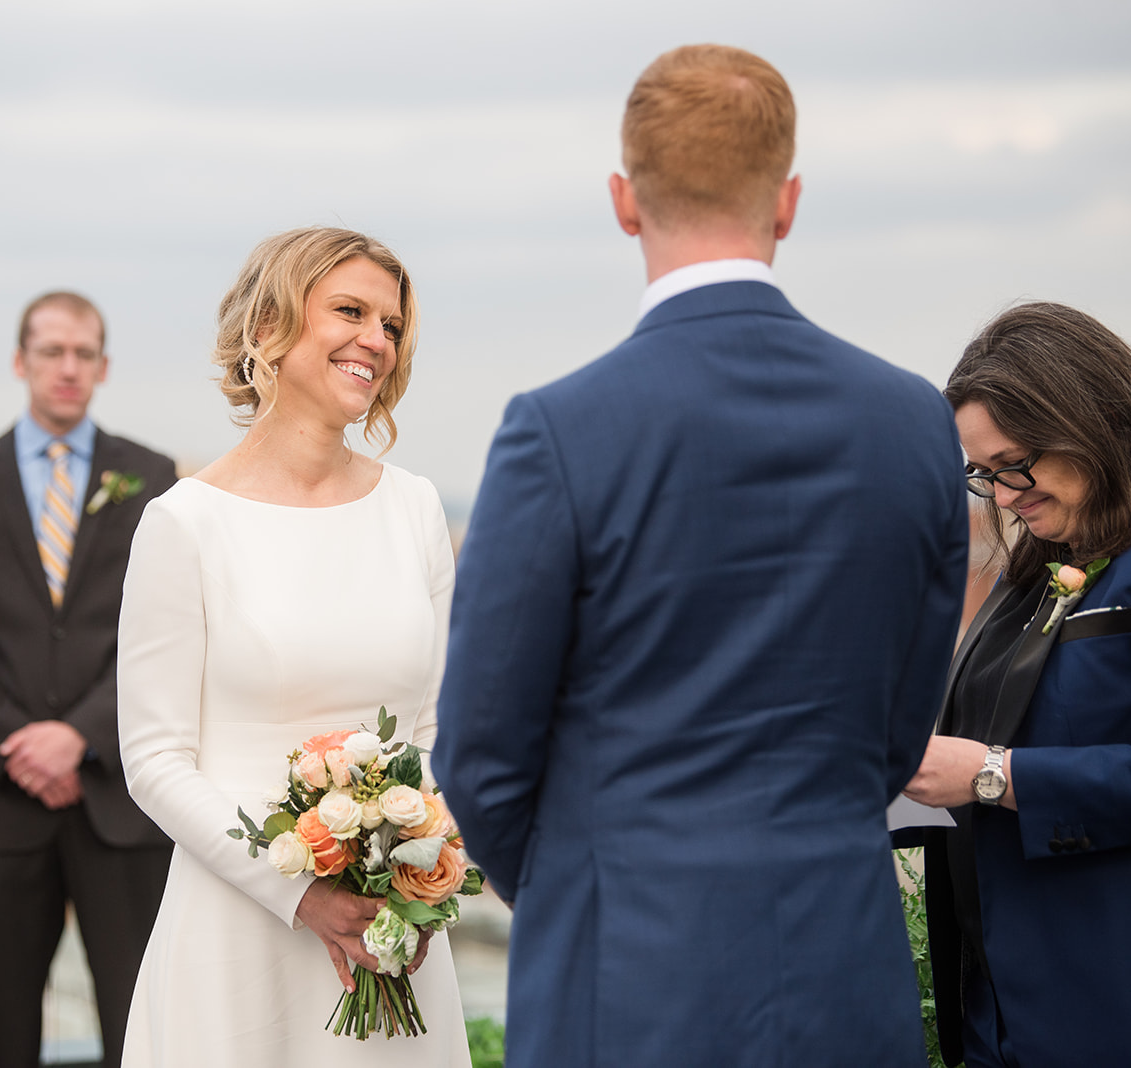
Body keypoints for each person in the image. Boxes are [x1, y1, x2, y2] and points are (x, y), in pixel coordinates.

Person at [432, 44, 970, 1067]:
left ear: (623, 200)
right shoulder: (912, 423)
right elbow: (897, 731)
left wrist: (572, 881)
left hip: (625, 975)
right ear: (790, 200)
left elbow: (480, 751)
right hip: (842, 964)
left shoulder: (561, 430)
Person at [115, 226, 470, 1066]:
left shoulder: (416, 510)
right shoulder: (184, 523)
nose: (375, 341)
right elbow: (155, 759)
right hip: (236, 938)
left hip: (391, 937)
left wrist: (411, 879)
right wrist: (302, 892)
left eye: (390, 324)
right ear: (269, 327)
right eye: (349, 311)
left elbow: (431, 731)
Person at [0, 292, 176, 1068]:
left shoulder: (151, 475)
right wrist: (19, 747)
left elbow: (160, 635)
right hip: (3, 801)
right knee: (0, 1030)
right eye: (52, 351)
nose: (68, 368)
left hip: (120, 800)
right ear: (20, 361)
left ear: (103, 366)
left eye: (84, 353)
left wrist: (81, 737)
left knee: (143, 1024)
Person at [903, 302, 1131, 1067]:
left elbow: (997, 764)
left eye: (1014, 464)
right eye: (982, 474)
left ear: (1090, 419)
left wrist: (997, 776)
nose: (1001, 496)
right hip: (1000, 1011)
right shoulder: (1033, 570)